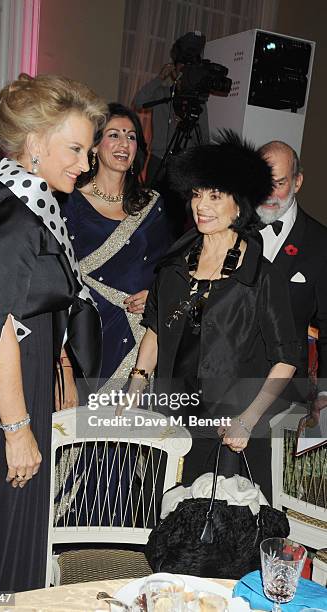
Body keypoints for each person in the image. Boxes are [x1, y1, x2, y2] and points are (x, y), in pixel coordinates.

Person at [0, 73, 106, 591]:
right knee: (1, 533)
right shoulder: (17, 219)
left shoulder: (21, 204)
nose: (86, 165)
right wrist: (16, 431)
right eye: (77, 149)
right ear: (36, 144)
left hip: (8, 387)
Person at [125, 132, 299, 502]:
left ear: (239, 206)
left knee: (219, 537)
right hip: (173, 417)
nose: (201, 206)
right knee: (166, 512)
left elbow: (286, 359)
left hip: (230, 427)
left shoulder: (262, 277)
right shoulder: (173, 267)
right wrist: (136, 389)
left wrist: (249, 419)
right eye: (197, 194)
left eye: (215, 196)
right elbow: (155, 331)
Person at [59, 102, 173, 401]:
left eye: (131, 136)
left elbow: (170, 268)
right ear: (94, 146)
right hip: (85, 328)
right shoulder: (67, 200)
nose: (124, 143)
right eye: (114, 135)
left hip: (140, 333)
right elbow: (56, 275)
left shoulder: (151, 205)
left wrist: (156, 295)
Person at [257, 141, 327, 434]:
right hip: (222, 387)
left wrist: (323, 393)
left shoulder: (320, 244)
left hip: (284, 398)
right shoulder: (229, 226)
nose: (269, 193)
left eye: (279, 183)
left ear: (297, 182)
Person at [133, 31, 209, 186]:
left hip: (184, 164)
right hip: (159, 160)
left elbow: (204, 138)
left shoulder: (198, 101)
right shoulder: (161, 93)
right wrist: (159, 78)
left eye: (189, 68)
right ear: (173, 70)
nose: (185, 72)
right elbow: (139, 102)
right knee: (151, 205)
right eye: (181, 67)